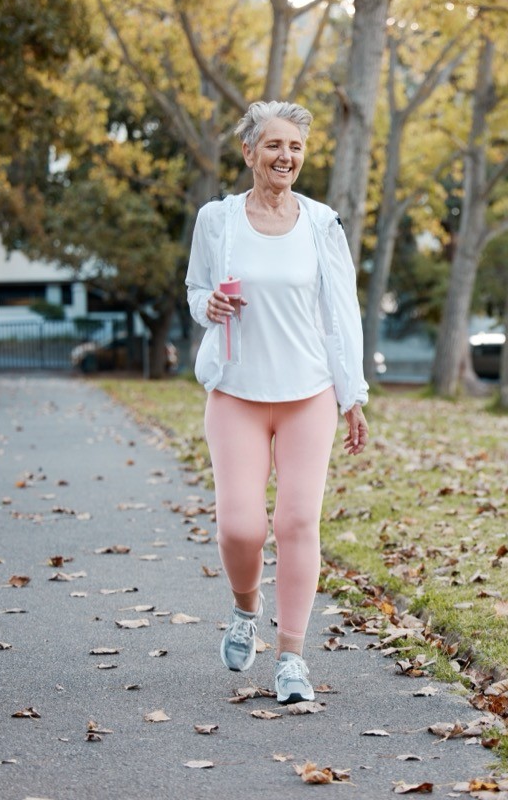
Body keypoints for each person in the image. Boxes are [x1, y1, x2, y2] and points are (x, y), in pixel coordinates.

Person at [185, 101, 369, 704]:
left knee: (295, 523)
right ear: (249, 153)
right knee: (240, 527)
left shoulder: (322, 224)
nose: (284, 156)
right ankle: (246, 609)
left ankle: (292, 656)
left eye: (293, 147)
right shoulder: (217, 220)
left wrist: (352, 396)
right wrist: (206, 305)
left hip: (307, 393)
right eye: (272, 146)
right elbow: (196, 288)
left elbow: (342, 314)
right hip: (237, 389)